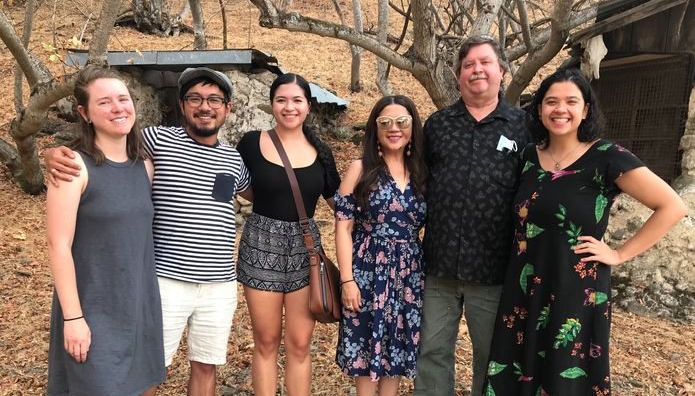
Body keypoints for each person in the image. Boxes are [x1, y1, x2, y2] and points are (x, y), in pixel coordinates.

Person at [46, 67, 251, 396]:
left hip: (215, 284)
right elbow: (104, 143)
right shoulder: (156, 141)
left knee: (196, 367)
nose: (205, 106)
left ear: (228, 108)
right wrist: (52, 153)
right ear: (181, 105)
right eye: (195, 98)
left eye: (214, 99)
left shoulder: (232, 158)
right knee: (144, 372)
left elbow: (262, 192)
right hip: (163, 281)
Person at [483, 69, 687, 395]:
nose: (560, 109)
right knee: (517, 369)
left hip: (575, 286)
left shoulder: (606, 157)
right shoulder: (527, 157)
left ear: (586, 109)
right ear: (539, 109)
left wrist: (619, 253)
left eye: (571, 101)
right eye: (551, 101)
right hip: (524, 283)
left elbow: (672, 206)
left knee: (565, 374)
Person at [413, 36, 532, 396]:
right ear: (458, 75)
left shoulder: (523, 126)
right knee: (431, 352)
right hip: (439, 264)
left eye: (485, 62)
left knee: (492, 358)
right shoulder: (437, 125)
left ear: (502, 70)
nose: (477, 70)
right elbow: (417, 181)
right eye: (468, 65)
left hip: (495, 268)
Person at [46, 65, 165, 395]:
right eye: (104, 102)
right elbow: (58, 245)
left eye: (123, 99)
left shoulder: (145, 165)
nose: (117, 108)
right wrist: (73, 318)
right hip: (92, 307)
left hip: (138, 305)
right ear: (84, 113)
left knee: (140, 387)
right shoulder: (73, 167)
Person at [235, 73, 340, 396]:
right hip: (260, 246)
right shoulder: (251, 143)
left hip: (305, 253)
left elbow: (340, 205)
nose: (289, 107)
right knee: (266, 341)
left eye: (297, 100)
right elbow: (237, 186)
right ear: (272, 104)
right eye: (281, 100)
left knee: (299, 343)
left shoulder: (321, 152)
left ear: (308, 106)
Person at [335, 95, 428, 396]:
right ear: (375, 128)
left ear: (413, 126)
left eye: (402, 121)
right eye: (385, 122)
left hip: (409, 276)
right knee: (365, 352)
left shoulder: (422, 172)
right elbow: (343, 227)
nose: (394, 128)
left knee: (396, 351)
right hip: (367, 272)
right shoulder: (360, 169)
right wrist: (347, 280)